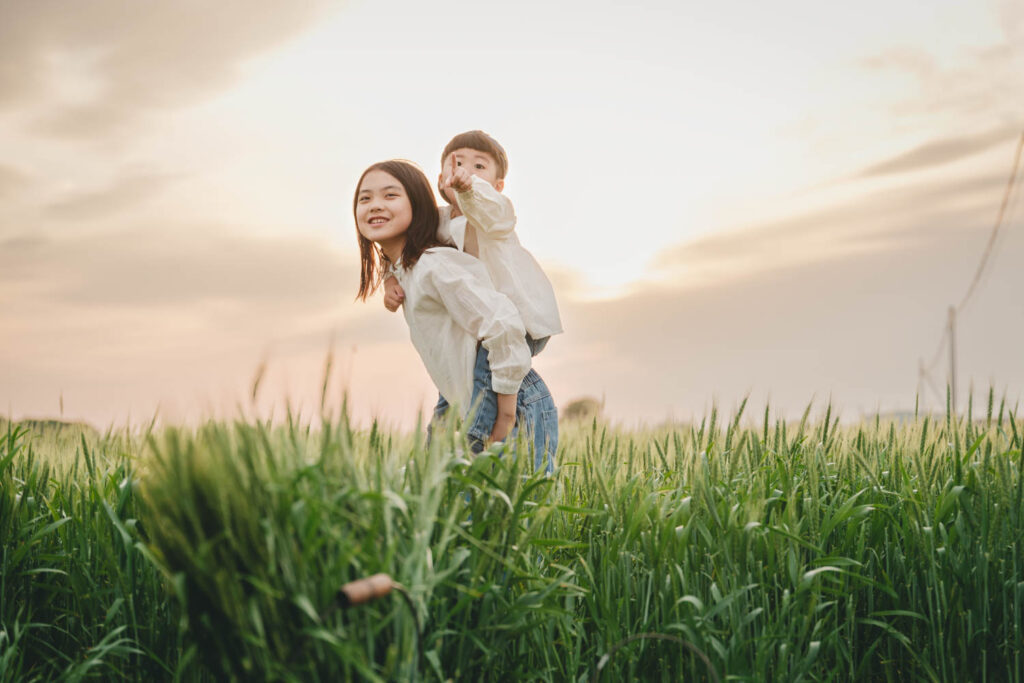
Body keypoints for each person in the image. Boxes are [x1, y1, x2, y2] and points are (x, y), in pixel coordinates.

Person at [355, 159, 557, 471]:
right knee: (445, 504)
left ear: (419, 205)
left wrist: (505, 414)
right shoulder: (406, 269)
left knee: (497, 513)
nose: (375, 205)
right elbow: (392, 264)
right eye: (364, 198)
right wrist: (387, 282)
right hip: (466, 404)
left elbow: (502, 322)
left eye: (390, 195)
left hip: (511, 406)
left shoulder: (434, 266)